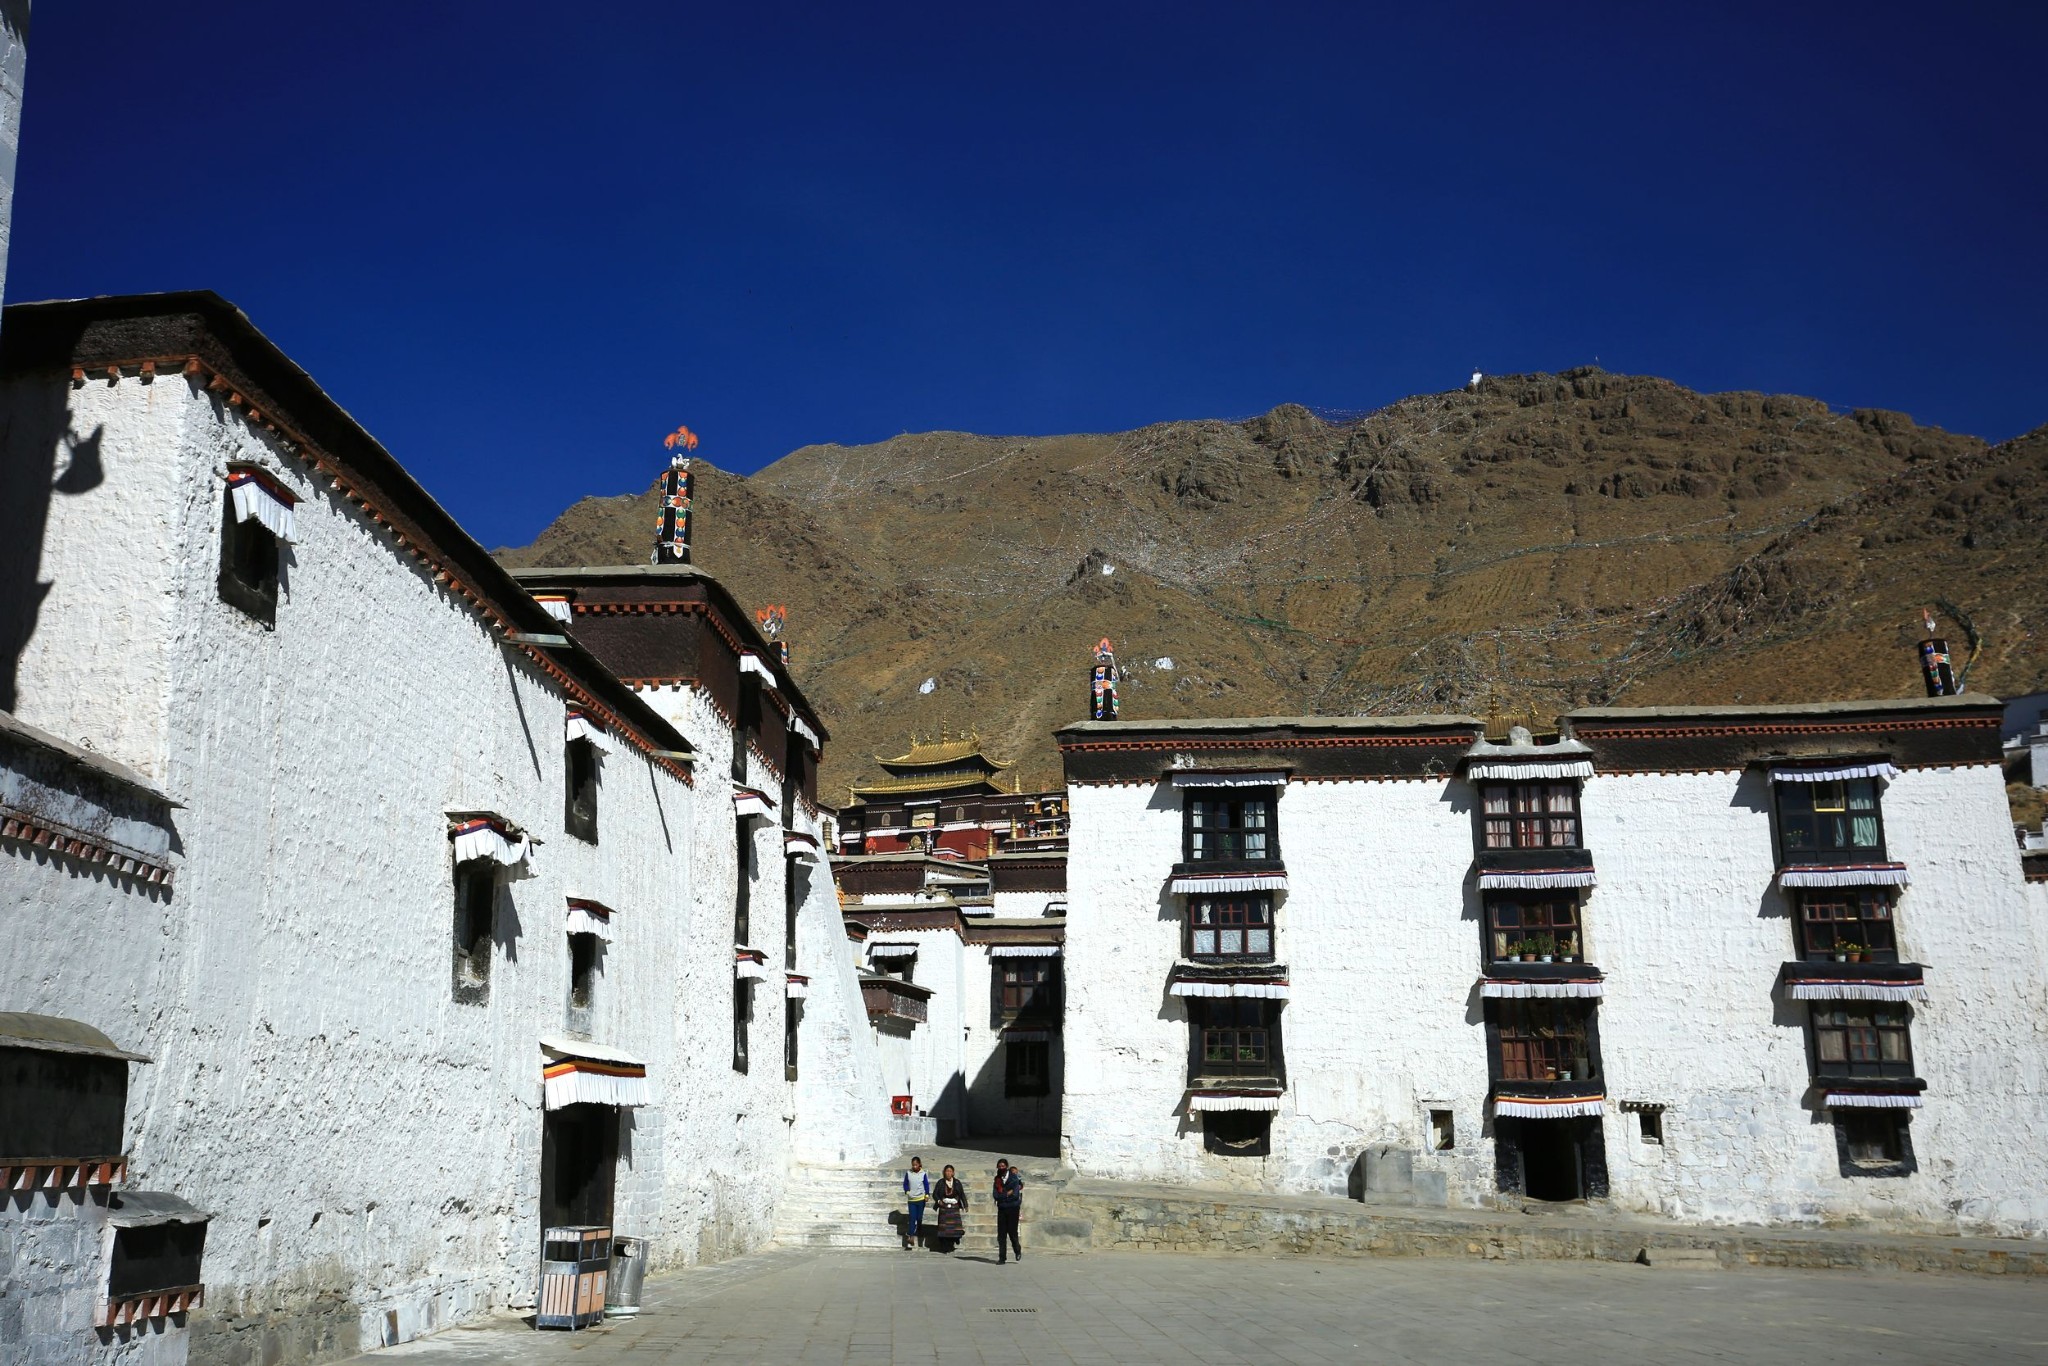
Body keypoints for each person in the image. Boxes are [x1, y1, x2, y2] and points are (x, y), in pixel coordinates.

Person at [992, 1158, 1024, 1264]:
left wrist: (1003, 1196)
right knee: (1001, 1235)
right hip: (1002, 1209)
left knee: (1012, 1232)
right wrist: (1006, 1194)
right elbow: (995, 1195)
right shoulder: (997, 1179)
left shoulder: (1014, 1178)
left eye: (1003, 1166)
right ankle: (1002, 1258)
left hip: (1013, 1208)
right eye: (999, 1166)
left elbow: (1015, 1195)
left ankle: (1017, 1249)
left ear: (1006, 1167)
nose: (1001, 1168)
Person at [931, 1163, 967, 1253]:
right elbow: (935, 1194)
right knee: (944, 1228)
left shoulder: (957, 1182)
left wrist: (965, 1205)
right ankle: (944, 1247)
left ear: (953, 1173)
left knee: (955, 1228)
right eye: (947, 1171)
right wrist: (939, 1201)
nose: (948, 1173)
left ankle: (953, 1242)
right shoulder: (940, 1182)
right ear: (944, 1172)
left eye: (950, 1171)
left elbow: (962, 1194)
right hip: (944, 1207)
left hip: (954, 1207)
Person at [901, 1156, 929, 1250]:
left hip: (921, 1199)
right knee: (912, 1218)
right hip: (912, 1200)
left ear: (919, 1164)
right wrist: (907, 1191)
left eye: (916, 1165)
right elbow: (905, 1183)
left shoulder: (923, 1174)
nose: (914, 1166)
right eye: (913, 1165)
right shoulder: (908, 1173)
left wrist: (927, 1195)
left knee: (919, 1217)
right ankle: (911, 1236)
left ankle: (919, 1228)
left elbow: (926, 1184)